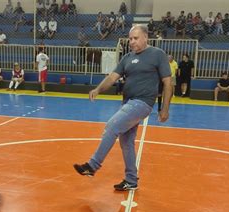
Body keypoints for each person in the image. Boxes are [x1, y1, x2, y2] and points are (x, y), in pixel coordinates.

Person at [73, 25, 172, 191]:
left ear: (146, 37)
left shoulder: (157, 54)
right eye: (130, 38)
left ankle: (93, 165)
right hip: (128, 103)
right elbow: (112, 78)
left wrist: (165, 109)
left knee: (112, 126)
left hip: (142, 103)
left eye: (136, 38)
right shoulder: (126, 57)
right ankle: (131, 180)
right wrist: (98, 89)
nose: (132, 41)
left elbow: (168, 83)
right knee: (126, 142)